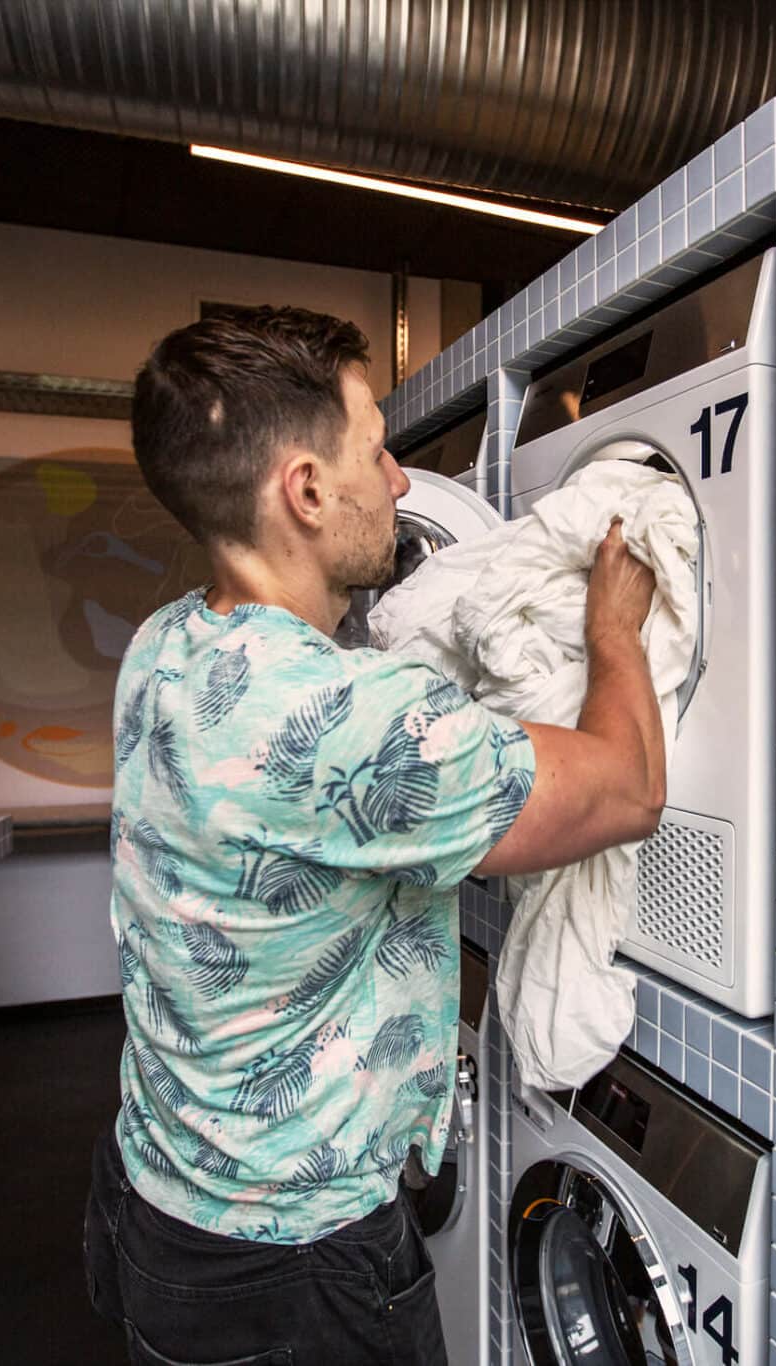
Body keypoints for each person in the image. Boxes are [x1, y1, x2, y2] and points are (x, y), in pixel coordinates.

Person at [82, 307, 667, 1366]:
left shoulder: (163, 643)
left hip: (150, 1195)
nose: (399, 481)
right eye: (377, 450)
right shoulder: (357, 723)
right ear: (304, 491)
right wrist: (612, 629)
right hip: (288, 1274)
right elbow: (624, 790)